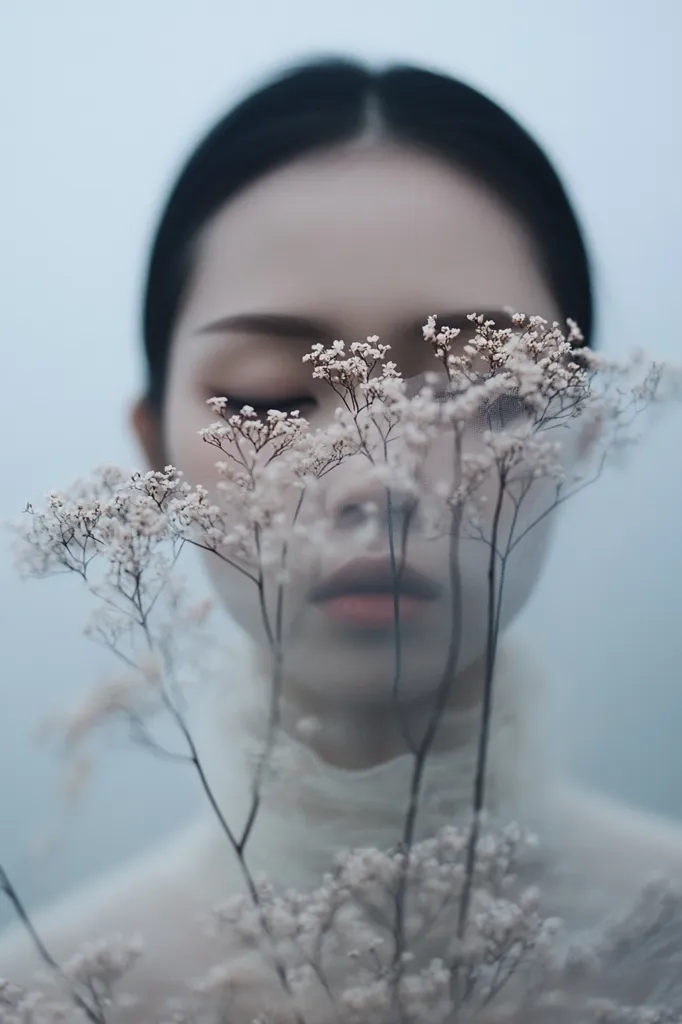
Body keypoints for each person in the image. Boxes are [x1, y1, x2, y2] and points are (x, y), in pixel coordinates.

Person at [2, 55, 682, 1022]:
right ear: (153, 449)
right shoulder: (45, 998)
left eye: (471, 392)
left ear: (584, 435)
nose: (378, 476)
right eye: (270, 399)